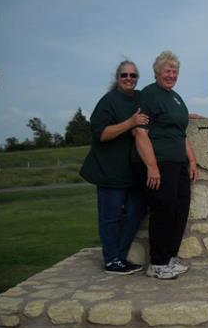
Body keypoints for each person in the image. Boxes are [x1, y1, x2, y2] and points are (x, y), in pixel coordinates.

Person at [132, 50, 198, 280]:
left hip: (178, 163)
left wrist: (191, 160)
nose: (171, 75)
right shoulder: (150, 94)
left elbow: (181, 132)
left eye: (175, 71)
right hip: (160, 162)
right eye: (167, 71)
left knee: (179, 210)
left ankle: (170, 257)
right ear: (157, 72)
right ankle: (158, 263)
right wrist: (151, 166)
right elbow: (140, 133)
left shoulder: (176, 97)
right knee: (163, 212)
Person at [80, 61, 148, 275]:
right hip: (109, 170)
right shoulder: (108, 101)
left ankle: (119, 256)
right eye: (124, 75)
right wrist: (130, 123)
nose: (129, 78)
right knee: (110, 217)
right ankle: (112, 260)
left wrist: (188, 116)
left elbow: (160, 111)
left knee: (135, 212)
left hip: (133, 171)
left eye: (133, 75)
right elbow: (102, 133)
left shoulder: (140, 98)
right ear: (117, 77)